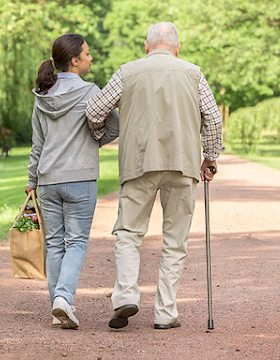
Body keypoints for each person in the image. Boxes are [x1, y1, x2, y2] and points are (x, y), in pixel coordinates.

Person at [86, 22, 224, 330]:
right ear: (177, 48)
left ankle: (124, 296)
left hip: (139, 162)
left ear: (146, 47)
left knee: (128, 233)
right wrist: (210, 157)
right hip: (182, 163)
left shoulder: (128, 71)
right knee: (175, 241)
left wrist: (103, 134)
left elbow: (94, 111)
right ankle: (165, 313)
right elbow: (213, 118)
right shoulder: (193, 72)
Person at [25, 33, 119, 329]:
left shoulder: (42, 96)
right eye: (87, 54)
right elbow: (114, 125)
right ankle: (63, 298)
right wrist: (94, 140)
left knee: (54, 244)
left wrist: (31, 181)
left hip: (49, 180)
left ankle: (58, 304)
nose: (91, 58)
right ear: (75, 61)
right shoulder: (91, 92)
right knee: (76, 242)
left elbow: (37, 144)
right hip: (80, 178)